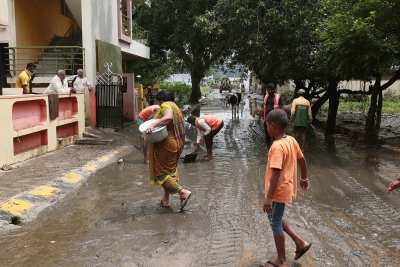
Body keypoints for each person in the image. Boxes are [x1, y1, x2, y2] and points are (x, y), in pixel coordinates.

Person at [261, 109, 312, 267]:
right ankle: (300, 242)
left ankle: (282, 261)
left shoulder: (277, 146)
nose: (267, 128)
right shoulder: (290, 140)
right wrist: (304, 177)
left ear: (273, 126)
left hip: (278, 191)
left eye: (267, 125)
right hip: (286, 187)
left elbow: (276, 173)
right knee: (275, 217)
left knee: (274, 222)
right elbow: (302, 159)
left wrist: (269, 198)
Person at [144, 91, 192, 210]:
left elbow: (168, 117)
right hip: (174, 143)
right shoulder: (174, 106)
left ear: (160, 100)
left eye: (158, 102)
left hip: (166, 144)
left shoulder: (165, 106)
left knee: (161, 173)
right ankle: (165, 200)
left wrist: (153, 126)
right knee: (169, 172)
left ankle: (183, 192)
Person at [257, 83, 284, 151]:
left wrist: (282, 118)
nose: (270, 91)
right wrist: (259, 117)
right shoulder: (266, 97)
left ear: (274, 89)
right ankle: (269, 150)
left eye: (271, 90)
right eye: (268, 90)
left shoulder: (278, 97)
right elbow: (264, 108)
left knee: (276, 134)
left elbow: (282, 108)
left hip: (275, 120)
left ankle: (276, 149)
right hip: (267, 120)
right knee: (267, 135)